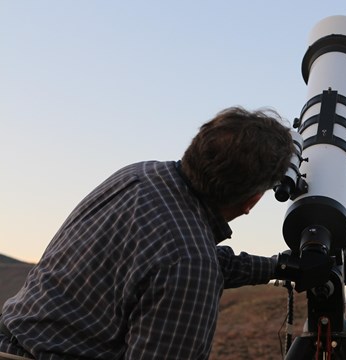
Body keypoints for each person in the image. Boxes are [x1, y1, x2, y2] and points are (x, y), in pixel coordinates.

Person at [0, 107, 294, 360]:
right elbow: (185, 262)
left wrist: (276, 266)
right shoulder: (189, 261)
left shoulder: (140, 175)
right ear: (251, 202)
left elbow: (169, 259)